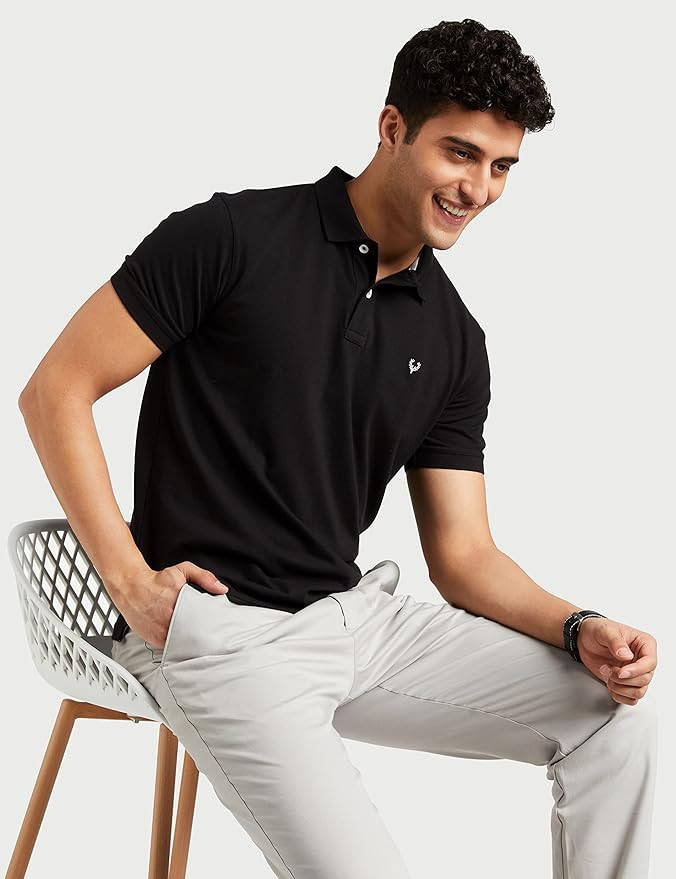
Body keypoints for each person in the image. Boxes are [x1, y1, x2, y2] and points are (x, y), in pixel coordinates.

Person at [18, 18, 658, 879]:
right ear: (392, 127)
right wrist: (131, 584)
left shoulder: (454, 338)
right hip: (222, 633)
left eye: (502, 166)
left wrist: (580, 627)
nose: (478, 188)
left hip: (355, 621)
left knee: (613, 714)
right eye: (460, 153)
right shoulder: (232, 236)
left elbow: (465, 555)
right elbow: (55, 388)